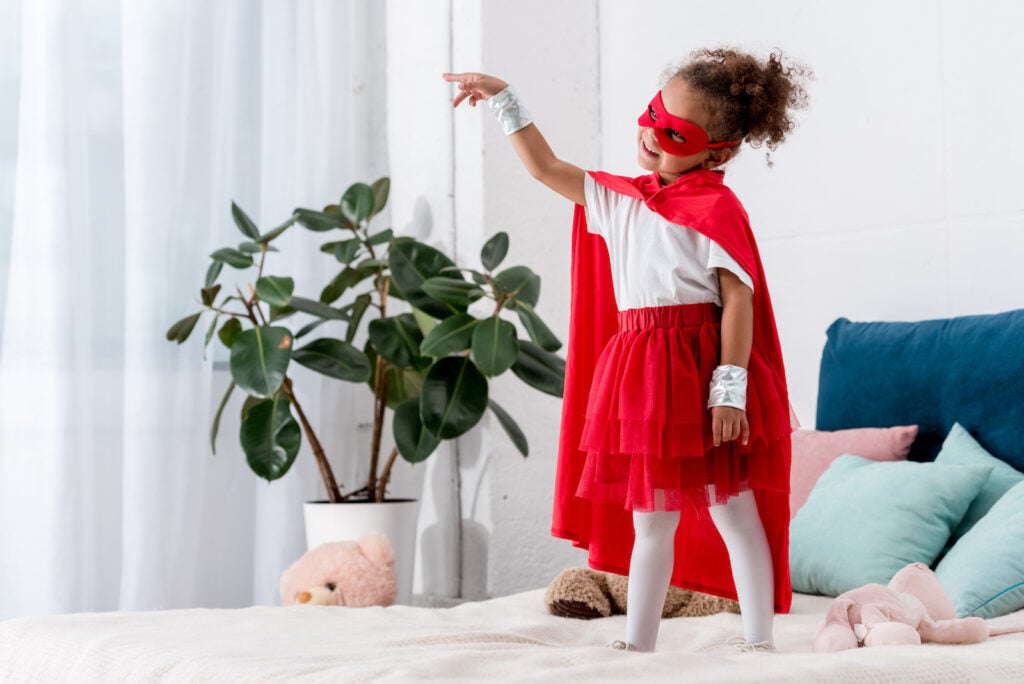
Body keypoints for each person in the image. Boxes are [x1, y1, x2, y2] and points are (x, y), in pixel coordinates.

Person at [444, 48, 808, 653]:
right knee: (650, 517)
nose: (652, 133)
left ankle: (759, 639)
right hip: (642, 376)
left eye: (674, 132)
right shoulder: (620, 199)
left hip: (699, 368)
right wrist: (506, 99)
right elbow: (545, 167)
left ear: (717, 151)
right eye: (653, 114)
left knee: (733, 510)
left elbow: (738, 302)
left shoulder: (718, 210)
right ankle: (640, 644)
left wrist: (730, 389)